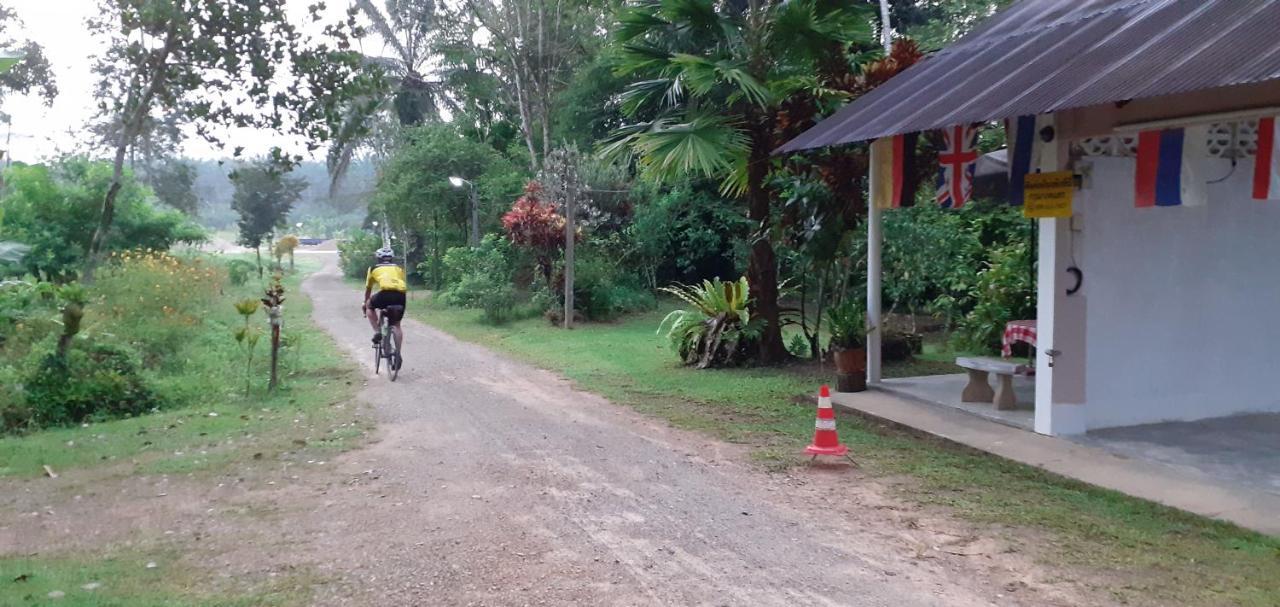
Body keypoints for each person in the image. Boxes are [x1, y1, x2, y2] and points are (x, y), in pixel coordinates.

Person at [362, 246, 407, 362]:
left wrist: (365, 304)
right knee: (397, 324)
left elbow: (368, 289)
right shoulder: (399, 268)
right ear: (392, 258)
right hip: (400, 295)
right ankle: (398, 354)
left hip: (385, 294)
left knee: (369, 306)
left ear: (378, 258)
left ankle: (378, 332)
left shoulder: (373, 269)